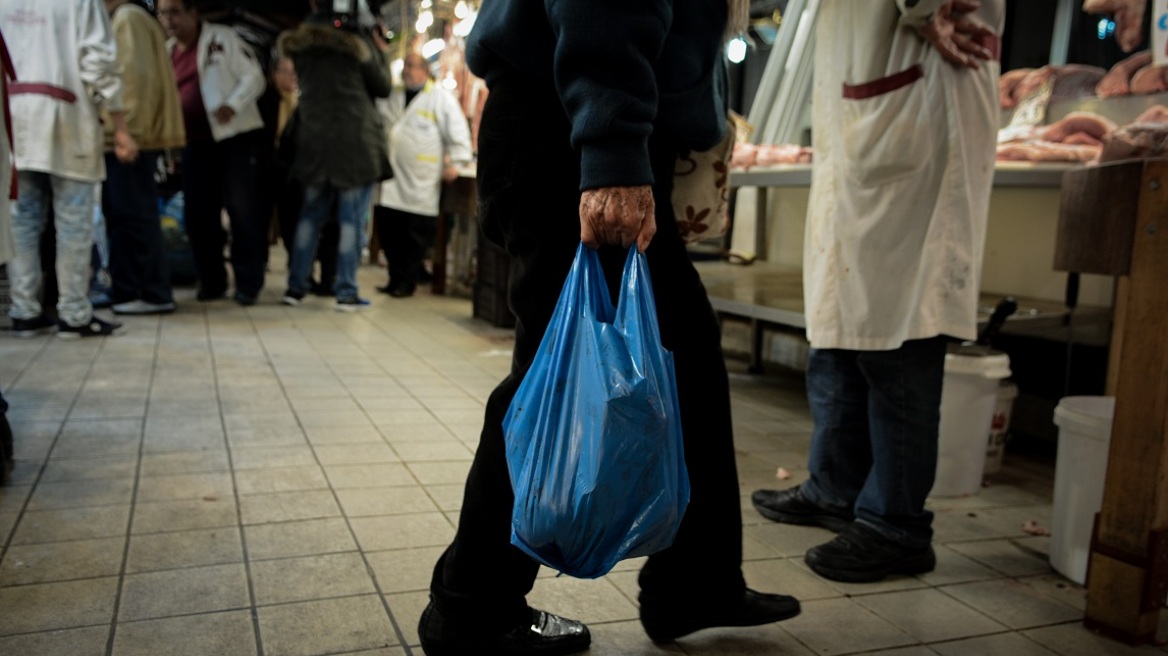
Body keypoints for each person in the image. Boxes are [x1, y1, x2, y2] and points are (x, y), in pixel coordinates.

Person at [417, 2, 801, 655]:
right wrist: (614, 152)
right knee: (555, 374)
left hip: (581, 120)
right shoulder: (597, 127)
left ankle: (695, 578)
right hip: (568, 124)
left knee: (685, 350)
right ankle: (471, 608)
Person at [752, 0, 1003, 584]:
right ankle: (834, 486)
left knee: (904, 324)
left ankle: (897, 523)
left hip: (919, 99)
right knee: (842, 319)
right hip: (869, 106)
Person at [1, 0, 138, 339]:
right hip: (68, 115)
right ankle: (74, 313)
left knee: (22, 218)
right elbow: (99, 63)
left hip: (14, 114)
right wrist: (119, 124)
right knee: (74, 220)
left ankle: (25, 311)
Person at [278, 6, 392, 312]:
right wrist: (378, 46)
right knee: (351, 219)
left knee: (310, 215)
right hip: (354, 142)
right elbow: (382, 86)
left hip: (314, 140)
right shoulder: (357, 44)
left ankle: (296, 286)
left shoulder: (301, 46)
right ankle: (346, 291)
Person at [158, 0, 269, 306]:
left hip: (235, 138)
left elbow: (254, 76)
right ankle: (212, 280)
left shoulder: (223, 39)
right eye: (163, 13)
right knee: (198, 215)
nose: (169, 20)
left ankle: (248, 283)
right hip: (194, 144)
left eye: (175, 12)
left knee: (242, 212)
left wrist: (232, 104)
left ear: (193, 13)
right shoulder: (167, 52)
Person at [103, 0, 186, 316]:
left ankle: (146, 291)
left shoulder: (128, 19)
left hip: (130, 138)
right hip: (131, 136)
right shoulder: (132, 17)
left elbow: (133, 82)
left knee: (132, 215)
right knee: (128, 214)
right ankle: (128, 289)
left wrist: (124, 132)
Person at [373, 52, 473, 298]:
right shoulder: (393, 95)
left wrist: (458, 163)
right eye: (405, 65)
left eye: (412, 66)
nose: (407, 70)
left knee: (414, 237)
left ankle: (406, 282)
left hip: (421, 180)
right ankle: (394, 278)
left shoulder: (441, 99)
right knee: (388, 231)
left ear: (425, 71)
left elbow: (459, 134)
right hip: (390, 178)